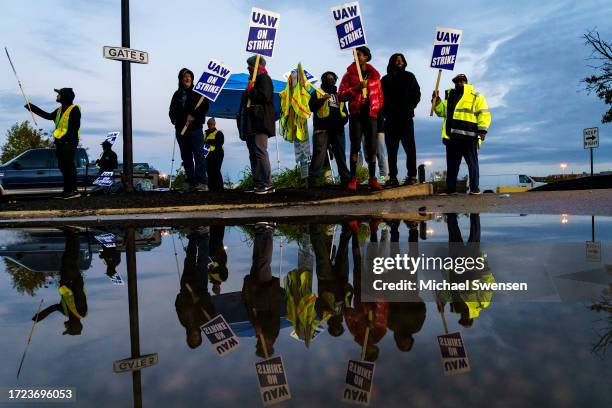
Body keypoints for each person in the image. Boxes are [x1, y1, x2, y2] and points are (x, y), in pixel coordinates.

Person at [432, 74, 491, 194]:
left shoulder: (476, 96)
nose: (459, 83)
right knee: (452, 166)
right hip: (452, 137)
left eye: (461, 81)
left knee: (472, 164)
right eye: (456, 82)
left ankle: (474, 188)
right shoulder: (450, 96)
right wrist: (437, 101)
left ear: (466, 82)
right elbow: (442, 112)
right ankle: (450, 189)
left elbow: (484, 113)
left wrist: (483, 129)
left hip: (469, 137)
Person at [338, 46, 384, 191]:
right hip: (356, 114)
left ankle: (372, 178)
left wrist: (376, 108)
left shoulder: (375, 77)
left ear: (366, 57)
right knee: (355, 146)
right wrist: (355, 89)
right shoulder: (349, 75)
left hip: (371, 114)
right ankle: (353, 179)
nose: (356, 57)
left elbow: (380, 97)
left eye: (359, 54)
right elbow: (340, 95)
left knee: (372, 147)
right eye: (355, 54)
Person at [25, 88, 81, 199]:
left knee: (68, 166)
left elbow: (75, 127)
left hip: (69, 142)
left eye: (58, 94)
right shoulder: (59, 110)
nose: (57, 96)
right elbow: (48, 116)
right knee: (63, 166)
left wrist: (65, 140)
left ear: (64, 96)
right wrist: (30, 107)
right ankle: (67, 191)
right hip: (60, 142)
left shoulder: (74, 109)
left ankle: (73, 191)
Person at [32, 228, 87, 335]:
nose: (64, 326)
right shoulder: (81, 312)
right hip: (72, 279)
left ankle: (72, 234)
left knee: (68, 257)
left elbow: (54, 307)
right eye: (67, 328)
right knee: (70, 258)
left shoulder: (66, 313)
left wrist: (38, 317)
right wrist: (72, 279)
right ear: (73, 325)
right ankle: (74, 233)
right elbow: (80, 294)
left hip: (66, 279)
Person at [381, 53, 421, 187]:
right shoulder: (385, 80)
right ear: (392, 62)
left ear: (404, 62)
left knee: (410, 149)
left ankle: (412, 176)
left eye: (401, 60)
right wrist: (386, 113)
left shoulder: (409, 76)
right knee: (391, 150)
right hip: (391, 120)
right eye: (396, 60)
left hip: (406, 118)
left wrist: (410, 107)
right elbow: (381, 98)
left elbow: (417, 93)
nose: (399, 61)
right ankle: (393, 177)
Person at [237, 56, 275, 194]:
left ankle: (267, 183)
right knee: (253, 154)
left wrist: (251, 90)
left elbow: (265, 96)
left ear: (257, 67)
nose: (248, 68)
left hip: (260, 122)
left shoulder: (264, 78)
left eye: (250, 66)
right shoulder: (252, 82)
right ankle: (258, 183)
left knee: (260, 152)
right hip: (251, 124)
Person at [242, 222, 280, 357]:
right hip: (265, 289)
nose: (258, 344)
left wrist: (246, 291)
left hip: (254, 288)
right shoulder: (272, 333)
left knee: (257, 260)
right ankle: (268, 231)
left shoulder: (257, 331)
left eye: (258, 347)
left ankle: (259, 233)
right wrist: (260, 328)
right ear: (269, 346)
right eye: (261, 347)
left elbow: (249, 307)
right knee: (263, 262)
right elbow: (271, 319)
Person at [169, 68, 209, 192]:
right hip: (181, 131)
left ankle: (202, 182)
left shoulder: (199, 93)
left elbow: (205, 107)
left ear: (192, 78)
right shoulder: (177, 94)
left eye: (189, 76)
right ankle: (191, 181)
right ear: (181, 79)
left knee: (198, 155)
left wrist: (194, 116)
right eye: (184, 77)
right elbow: (172, 112)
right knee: (186, 157)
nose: (187, 79)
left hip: (195, 129)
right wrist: (177, 121)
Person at [307, 72, 350, 187]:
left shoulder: (339, 95)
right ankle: (312, 181)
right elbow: (311, 107)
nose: (330, 80)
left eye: (332, 78)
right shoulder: (317, 92)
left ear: (336, 80)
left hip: (338, 129)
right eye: (328, 78)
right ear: (323, 79)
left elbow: (345, 112)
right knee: (318, 155)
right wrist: (322, 100)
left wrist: (342, 122)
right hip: (322, 129)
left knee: (340, 155)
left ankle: (345, 180)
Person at [175, 227, 213, 349]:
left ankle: (193, 237)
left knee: (189, 260)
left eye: (191, 339)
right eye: (196, 339)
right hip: (201, 288)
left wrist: (183, 297)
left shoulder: (184, 322)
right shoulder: (205, 322)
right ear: (200, 337)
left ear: (188, 337)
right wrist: (200, 300)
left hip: (186, 287)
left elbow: (178, 305)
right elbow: (210, 307)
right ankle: (203, 237)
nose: (194, 337)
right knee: (202, 262)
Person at [204, 118, 225, 191]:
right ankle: (211, 187)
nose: (209, 125)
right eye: (208, 124)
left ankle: (219, 187)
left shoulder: (218, 133)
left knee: (216, 170)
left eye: (210, 124)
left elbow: (219, 143)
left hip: (217, 154)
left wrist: (208, 142)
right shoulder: (205, 133)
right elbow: (203, 143)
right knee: (209, 170)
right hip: (207, 154)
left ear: (214, 124)